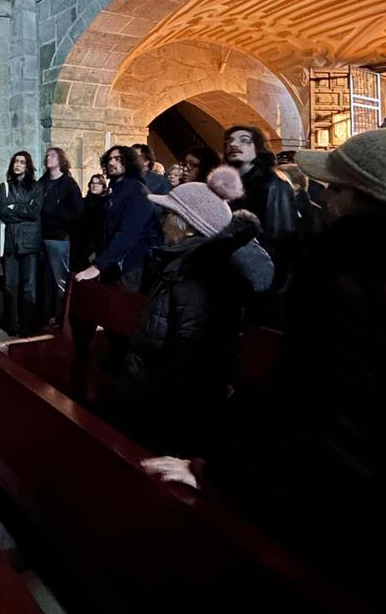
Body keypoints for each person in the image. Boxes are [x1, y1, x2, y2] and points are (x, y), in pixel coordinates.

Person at [146, 105, 386, 612]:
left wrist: (219, 476)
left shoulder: (353, 278)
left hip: (378, 522)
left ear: (371, 198)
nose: (325, 196)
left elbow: (334, 422)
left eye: (338, 187)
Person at [112, 167, 273, 456]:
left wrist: (147, 403)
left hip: (166, 415)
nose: (161, 223)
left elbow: (190, 358)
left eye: (167, 216)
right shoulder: (182, 264)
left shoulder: (198, 275)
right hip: (151, 399)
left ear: (187, 225)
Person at [75, 146, 161, 291]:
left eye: (118, 159)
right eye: (109, 159)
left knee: (124, 309)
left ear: (129, 162)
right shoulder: (117, 190)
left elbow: (128, 233)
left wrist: (99, 265)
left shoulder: (136, 191)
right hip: (113, 263)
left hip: (130, 265)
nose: (111, 163)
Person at [223, 125, 297, 290]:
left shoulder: (272, 185)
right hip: (235, 274)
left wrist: (273, 286)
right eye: (230, 141)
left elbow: (281, 237)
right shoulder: (229, 184)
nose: (234, 145)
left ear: (257, 147)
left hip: (263, 280)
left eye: (244, 141)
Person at [0, 150, 43, 336]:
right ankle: (11, 324)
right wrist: (22, 211)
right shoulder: (4, 187)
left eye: (22, 162)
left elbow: (34, 212)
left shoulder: (36, 187)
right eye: (16, 161)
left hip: (29, 243)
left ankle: (27, 325)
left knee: (29, 287)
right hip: (10, 243)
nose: (18, 165)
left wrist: (14, 207)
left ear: (28, 166)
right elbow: (3, 213)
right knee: (9, 285)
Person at [38, 147, 83, 329]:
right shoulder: (42, 182)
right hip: (41, 237)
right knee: (45, 279)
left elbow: (78, 211)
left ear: (61, 160)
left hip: (58, 238)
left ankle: (60, 317)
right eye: (47, 155)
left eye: (53, 155)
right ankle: (46, 315)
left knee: (59, 280)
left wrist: (57, 213)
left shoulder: (68, 184)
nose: (49, 158)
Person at [71, 173, 108, 271]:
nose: (94, 185)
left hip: (97, 245)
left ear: (103, 187)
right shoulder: (83, 202)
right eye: (92, 183)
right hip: (80, 244)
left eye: (98, 183)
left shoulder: (106, 204)